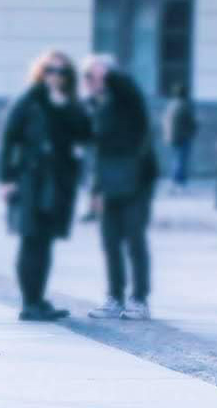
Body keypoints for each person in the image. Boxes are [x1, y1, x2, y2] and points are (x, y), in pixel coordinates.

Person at [0, 51, 93, 322]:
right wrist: (6, 179)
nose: (56, 76)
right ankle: (29, 303)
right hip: (31, 178)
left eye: (62, 72)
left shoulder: (70, 103)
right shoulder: (28, 101)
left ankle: (39, 300)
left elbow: (85, 134)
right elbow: (9, 141)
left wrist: (67, 105)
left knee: (46, 240)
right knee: (31, 238)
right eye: (51, 70)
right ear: (41, 71)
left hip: (60, 180)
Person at [83, 59, 160, 321]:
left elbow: (128, 89)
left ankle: (139, 299)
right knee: (110, 241)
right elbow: (99, 153)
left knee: (134, 238)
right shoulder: (97, 108)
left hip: (138, 179)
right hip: (109, 181)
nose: (91, 81)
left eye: (94, 76)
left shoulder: (129, 104)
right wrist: (94, 191)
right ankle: (114, 297)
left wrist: (108, 73)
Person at [159, 83, 197, 192]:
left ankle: (176, 182)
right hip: (182, 136)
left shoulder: (171, 105)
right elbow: (190, 121)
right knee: (181, 160)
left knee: (177, 159)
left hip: (172, 136)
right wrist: (193, 130)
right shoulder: (185, 105)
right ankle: (178, 183)